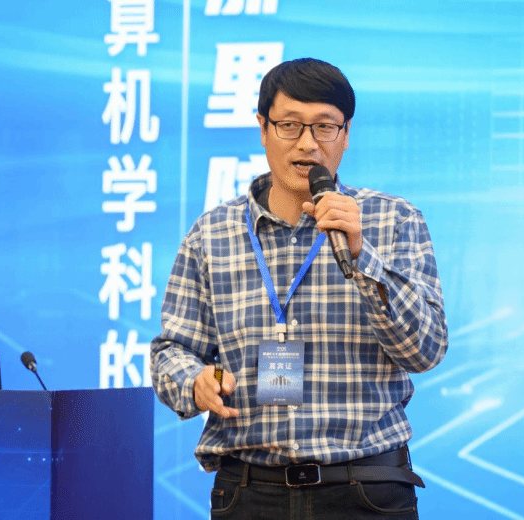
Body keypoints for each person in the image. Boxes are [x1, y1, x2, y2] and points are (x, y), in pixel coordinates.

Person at [150, 58, 448, 519]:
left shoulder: (393, 220)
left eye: (325, 126)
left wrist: (362, 255)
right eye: (289, 125)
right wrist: (196, 381)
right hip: (248, 492)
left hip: (366, 489)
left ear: (345, 135)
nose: (307, 143)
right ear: (263, 128)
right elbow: (171, 350)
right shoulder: (212, 234)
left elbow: (425, 350)